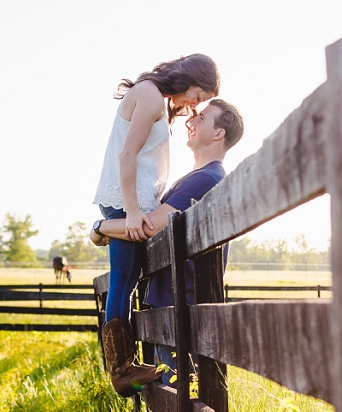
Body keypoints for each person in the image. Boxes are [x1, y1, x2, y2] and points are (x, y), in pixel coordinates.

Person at [91, 99, 244, 394]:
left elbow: (148, 226)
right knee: (173, 391)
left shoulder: (206, 179)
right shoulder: (195, 178)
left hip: (180, 303)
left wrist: (100, 228)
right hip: (173, 300)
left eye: (201, 118)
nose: (191, 121)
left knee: (180, 393)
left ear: (218, 134)